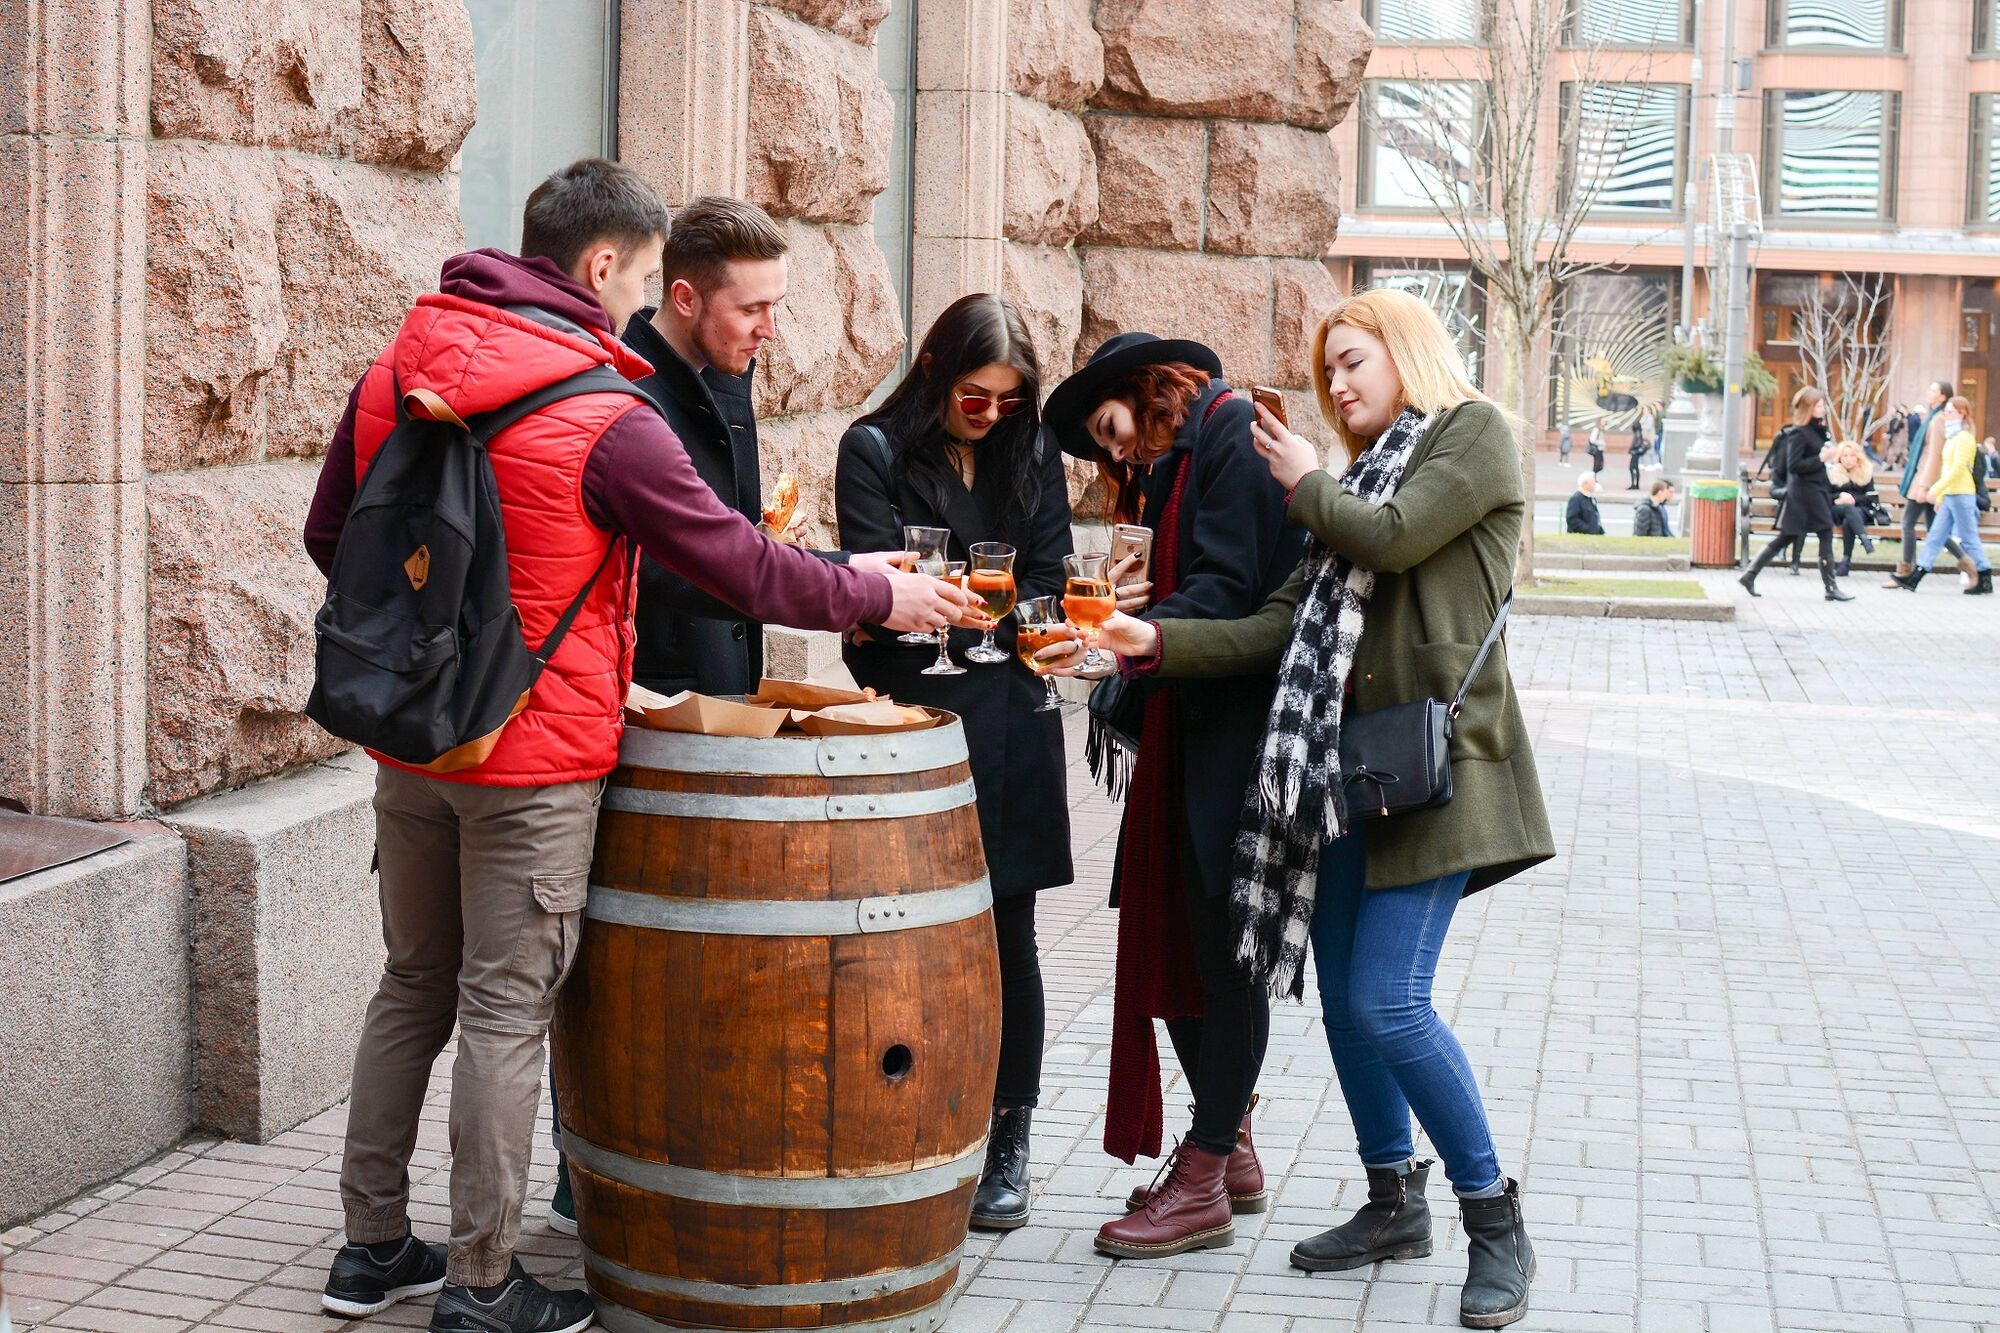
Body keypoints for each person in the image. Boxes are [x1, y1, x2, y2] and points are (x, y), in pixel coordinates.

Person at [301, 159, 966, 1333]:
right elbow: (742, 568)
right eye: (648, 276)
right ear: (601, 265)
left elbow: (331, 540)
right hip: (538, 760)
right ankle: (480, 1278)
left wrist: (450, 649)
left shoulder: (399, 369)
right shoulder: (608, 415)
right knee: (506, 1011)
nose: (643, 300)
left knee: (410, 985)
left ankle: (369, 1250)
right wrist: (870, 593)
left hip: (411, 746)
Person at [1088, 288, 1553, 1329]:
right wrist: (1147, 643)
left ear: (1405, 351)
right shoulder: (1349, 483)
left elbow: (1390, 539)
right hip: (1352, 780)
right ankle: (1392, 1197)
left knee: (1388, 999)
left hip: (1438, 775)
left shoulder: (1468, 436)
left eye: (1354, 360)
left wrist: (1303, 481)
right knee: (1343, 1001)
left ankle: (1492, 1217)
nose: (1337, 384)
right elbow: (1270, 628)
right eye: (1326, 370)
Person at [1040, 332, 1306, 1261]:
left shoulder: (1228, 435)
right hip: (1186, 732)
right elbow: (1195, 590)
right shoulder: (1175, 463)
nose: (1115, 453)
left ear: (1146, 390)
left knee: (1218, 949)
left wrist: (1130, 629)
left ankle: (1202, 1171)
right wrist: (1132, 616)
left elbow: (1232, 595)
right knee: (1175, 935)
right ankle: (1226, 1146)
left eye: (1111, 429)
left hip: (1232, 738)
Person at [834, 294, 1077, 1230]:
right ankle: (913, 1119)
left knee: (1007, 935)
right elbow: (871, 589)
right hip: (914, 719)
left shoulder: (1031, 449)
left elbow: (1051, 574)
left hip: (1012, 717)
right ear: (935, 366)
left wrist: (1022, 622)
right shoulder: (876, 450)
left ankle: (1007, 1139)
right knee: (906, 936)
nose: (992, 414)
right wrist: (928, 603)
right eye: (978, 397)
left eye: (1009, 401)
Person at [622, 197, 902, 697]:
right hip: (656, 701)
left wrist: (840, 563)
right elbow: (673, 564)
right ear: (685, 298)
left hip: (721, 683)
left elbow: (732, 547)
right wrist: (853, 581)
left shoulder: (721, 371)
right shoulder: (631, 394)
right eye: (751, 309)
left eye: (775, 306)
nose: (769, 330)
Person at [1739, 386, 1852, 602]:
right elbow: (1794, 465)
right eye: (1819, 406)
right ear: (1809, 408)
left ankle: (1750, 575)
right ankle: (1830, 587)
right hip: (1805, 493)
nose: (1823, 409)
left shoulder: (1818, 430)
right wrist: (1821, 458)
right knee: (1819, 532)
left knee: (1791, 535)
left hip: (1814, 490)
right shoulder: (1799, 433)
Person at [1891, 395, 1994, 594]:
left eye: (1950, 412)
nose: (1946, 415)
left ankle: (1984, 575)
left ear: (1962, 413)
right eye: (1945, 412)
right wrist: (1941, 495)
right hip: (1950, 495)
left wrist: (1935, 489)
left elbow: (1958, 469)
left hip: (1962, 495)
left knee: (1969, 538)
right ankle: (1916, 576)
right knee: (1935, 536)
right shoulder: (1952, 437)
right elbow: (1947, 470)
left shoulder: (1965, 438)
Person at [1887, 380, 1973, 588]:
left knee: (1908, 523)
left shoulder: (1937, 420)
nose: (1928, 392)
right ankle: (1970, 565)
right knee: (1936, 529)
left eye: (1933, 390)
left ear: (1943, 396)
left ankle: (1906, 569)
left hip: (1925, 479)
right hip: (1925, 478)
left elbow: (1935, 455)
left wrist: (1926, 486)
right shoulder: (1932, 417)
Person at [1827, 442, 1879, 575]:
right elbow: (1825, 496)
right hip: (1837, 510)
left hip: (1860, 511)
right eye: (1845, 455)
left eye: (1852, 455)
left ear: (1858, 457)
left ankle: (1845, 563)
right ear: (1840, 458)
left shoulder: (1865, 472)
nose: (1848, 459)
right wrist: (1840, 496)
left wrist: (1853, 499)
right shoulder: (1832, 472)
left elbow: (1871, 498)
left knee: (1849, 519)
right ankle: (1864, 539)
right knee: (1848, 510)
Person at [1626, 421, 1647, 490]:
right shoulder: (1638, 432)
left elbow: (1637, 444)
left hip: (1635, 453)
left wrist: (1631, 449)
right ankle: (1635, 484)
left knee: (1632, 468)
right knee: (1635, 468)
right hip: (1636, 453)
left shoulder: (1637, 433)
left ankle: (1634, 484)